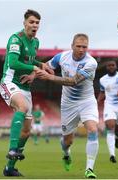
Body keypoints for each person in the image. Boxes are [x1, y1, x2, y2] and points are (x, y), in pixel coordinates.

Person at [22, 33, 99, 178]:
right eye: (78, 46)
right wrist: (33, 75)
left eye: (85, 47)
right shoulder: (61, 57)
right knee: (67, 141)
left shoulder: (91, 63)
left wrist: (50, 77)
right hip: (68, 104)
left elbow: (74, 81)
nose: (82, 49)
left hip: (86, 101)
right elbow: (46, 67)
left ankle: (89, 169)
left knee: (93, 129)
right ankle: (66, 153)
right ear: (72, 46)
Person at [0, 9, 45, 176]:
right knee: (22, 106)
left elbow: (29, 60)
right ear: (24, 23)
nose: (34, 25)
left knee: (26, 132)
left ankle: (9, 168)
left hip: (25, 89)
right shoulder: (15, 39)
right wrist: (34, 67)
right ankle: (12, 149)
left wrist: (39, 66)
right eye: (31, 22)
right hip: (9, 83)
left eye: (37, 23)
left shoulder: (36, 42)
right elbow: (13, 62)